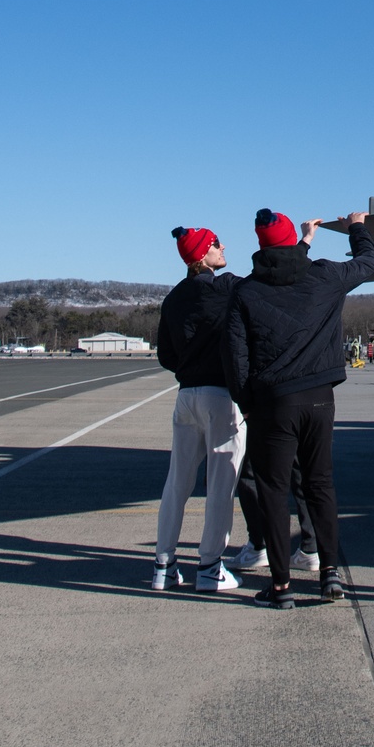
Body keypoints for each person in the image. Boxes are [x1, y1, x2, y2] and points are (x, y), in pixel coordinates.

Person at [225, 208, 374, 610]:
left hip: (274, 404)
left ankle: (280, 587)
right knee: (320, 485)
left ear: (260, 246)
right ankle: (330, 574)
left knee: (274, 494)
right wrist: (357, 229)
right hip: (319, 398)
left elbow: (236, 361)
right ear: (292, 237)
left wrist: (250, 405)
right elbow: (368, 263)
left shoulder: (245, 291)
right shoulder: (324, 276)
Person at [153, 225, 246, 594]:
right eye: (217, 244)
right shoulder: (226, 288)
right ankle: (209, 566)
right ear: (203, 253)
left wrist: (188, 367)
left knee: (177, 482)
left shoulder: (173, 298)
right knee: (221, 485)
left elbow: (166, 355)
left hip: (186, 394)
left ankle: (164, 564)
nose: (223, 248)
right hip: (220, 396)